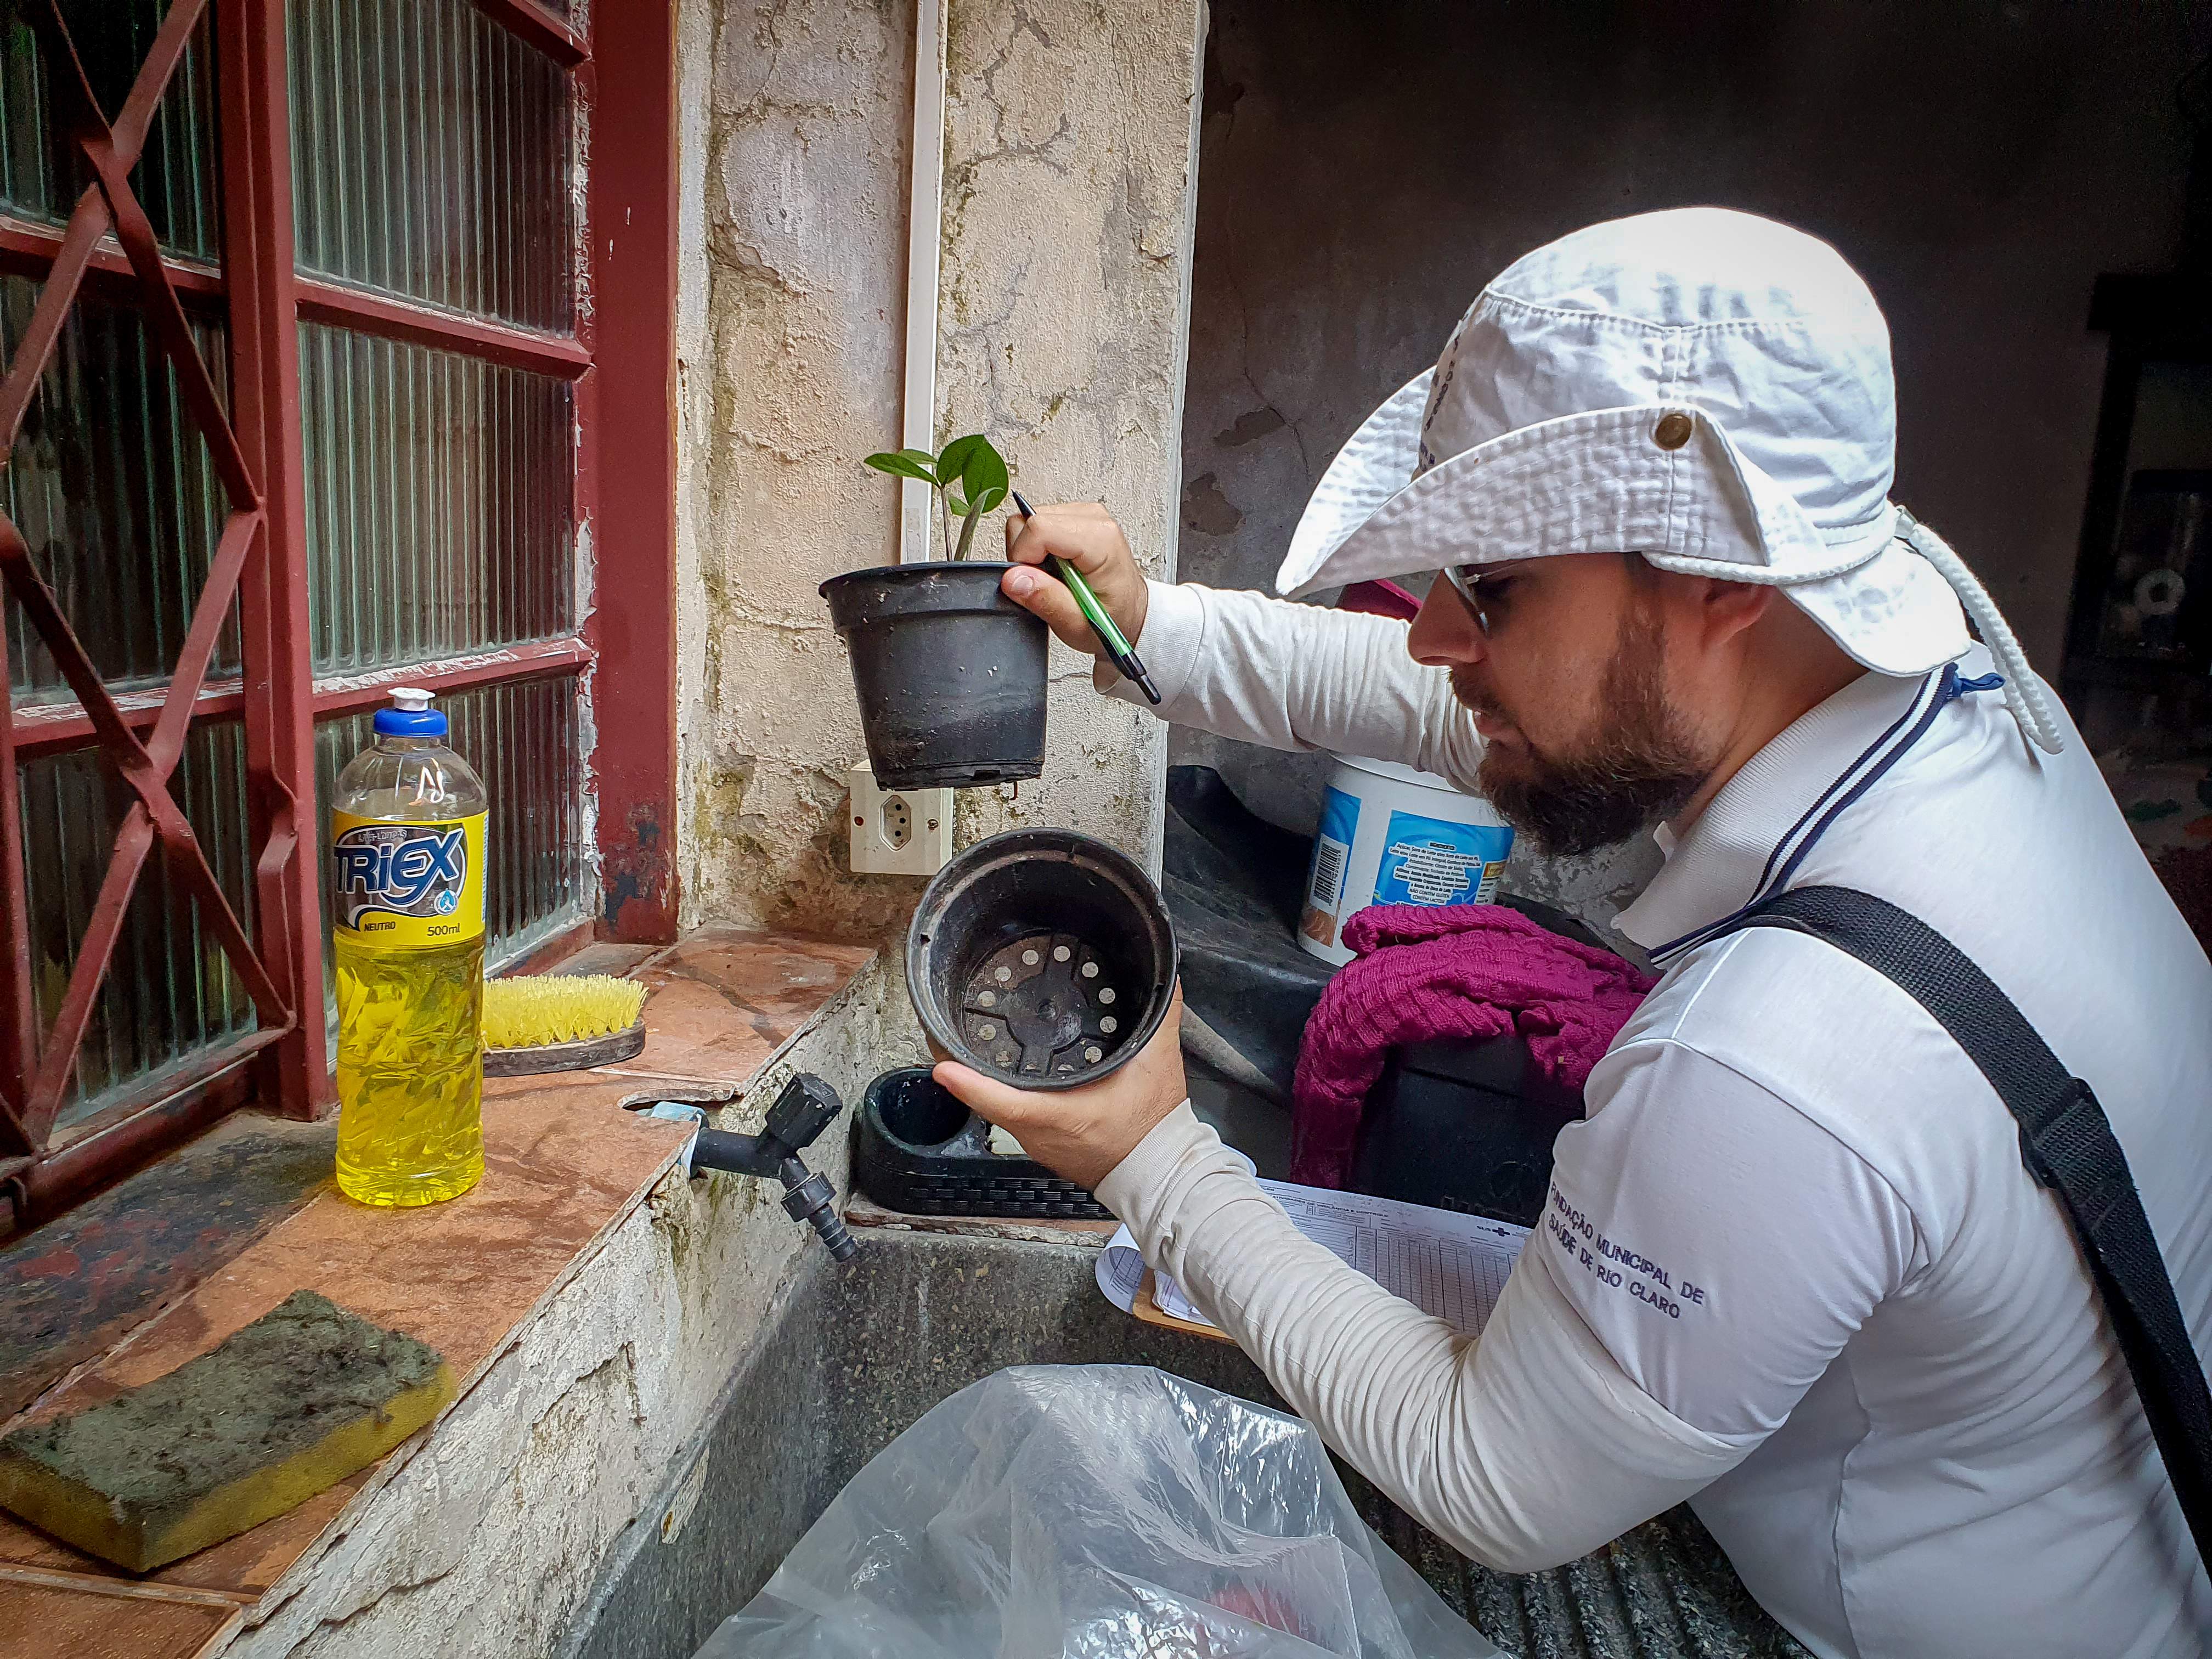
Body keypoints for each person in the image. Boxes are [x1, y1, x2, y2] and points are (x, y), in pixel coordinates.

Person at [931, 209, 2212, 1658]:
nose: (1429, 634)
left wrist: (1148, 1156)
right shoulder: (1930, 690)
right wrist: (1152, 629)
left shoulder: (1782, 1062)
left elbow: (1494, 1481)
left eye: (1491, 589)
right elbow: (1499, 708)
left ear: (1726, 580)